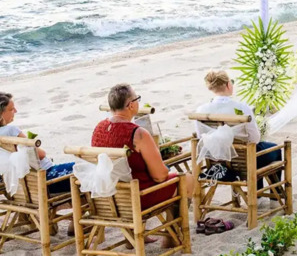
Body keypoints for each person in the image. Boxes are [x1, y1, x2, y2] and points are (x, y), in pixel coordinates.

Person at [92, 84, 194, 246]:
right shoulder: (137, 133)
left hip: (108, 196)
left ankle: (132, 237)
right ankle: (170, 237)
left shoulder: (99, 128)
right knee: (187, 179)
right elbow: (159, 176)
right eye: (137, 99)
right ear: (131, 105)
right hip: (137, 198)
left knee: (140, 176)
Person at [195, 70, 282, 185]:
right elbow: (254, 139)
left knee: (255, 150)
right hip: (245, 160)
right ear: (228, 85)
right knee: (274, 149)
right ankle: (274, 197)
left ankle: (259, 194)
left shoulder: (201, 110)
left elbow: (201, 137)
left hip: (218, 161)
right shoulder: (241, 108)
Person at [0, 92, 74, 194]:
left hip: (23, 187)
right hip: (45, 179)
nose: (15, 111)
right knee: (81, 168)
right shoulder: (11, 131)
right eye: (11, 109)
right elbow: (41, 155)